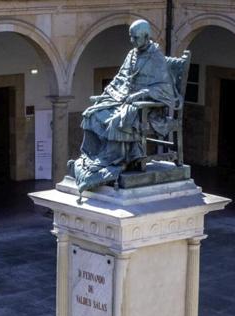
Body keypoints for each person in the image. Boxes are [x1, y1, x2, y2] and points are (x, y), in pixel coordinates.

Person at [72, 19, 175, 191]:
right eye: (131, 37)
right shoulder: (132, 54)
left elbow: (165, 89)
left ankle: (114, 160)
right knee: (92, 113)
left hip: (147, 108)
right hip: (124, 98)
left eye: (135, 38)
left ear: (146, 36)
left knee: (118, 120)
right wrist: (107, 94)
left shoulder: (156, 57)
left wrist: (142, 94)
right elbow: (120, 78)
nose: (132, 41)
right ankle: (94, 157)